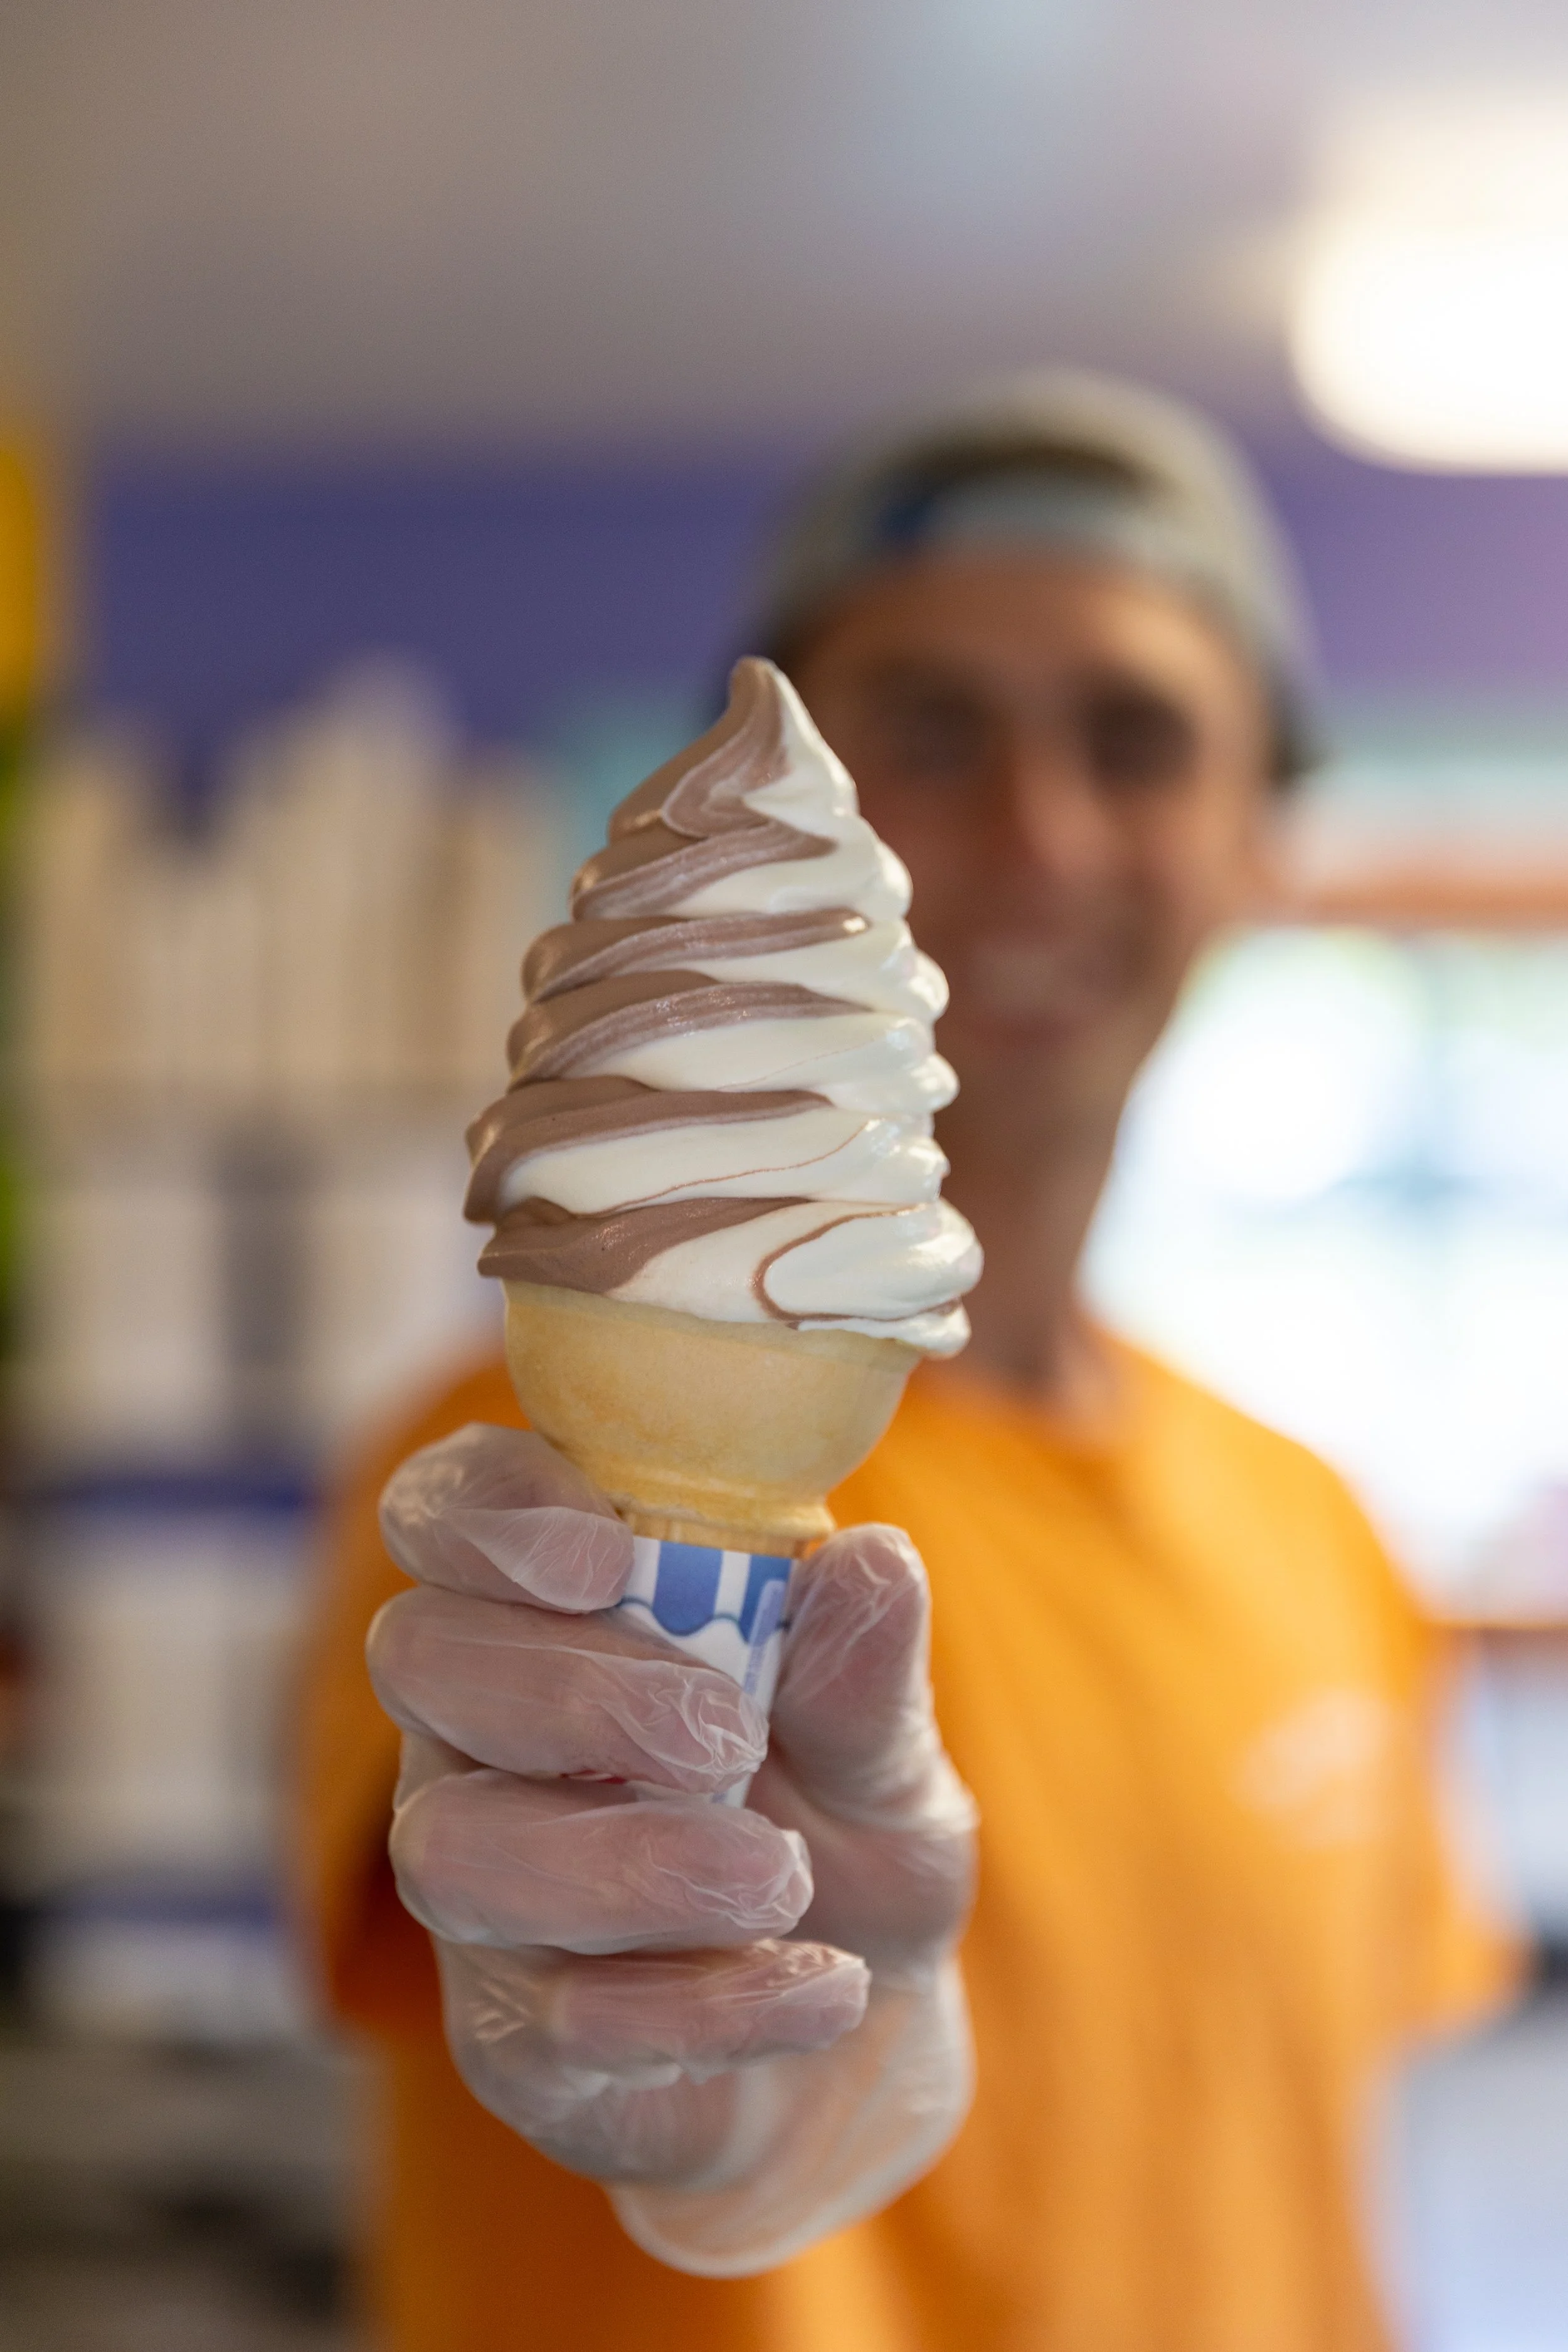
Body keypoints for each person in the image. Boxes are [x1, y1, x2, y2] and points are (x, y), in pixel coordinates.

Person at [297, 374, 1515, 2351]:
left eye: (1134, 740)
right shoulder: (525, 1478)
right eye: (933, 733)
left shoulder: (1320, 1526)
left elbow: (1301, 2164)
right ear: (796, 834)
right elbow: (494, 1924)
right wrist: (678, 2076)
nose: (1040, 834)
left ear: (1257, 840)